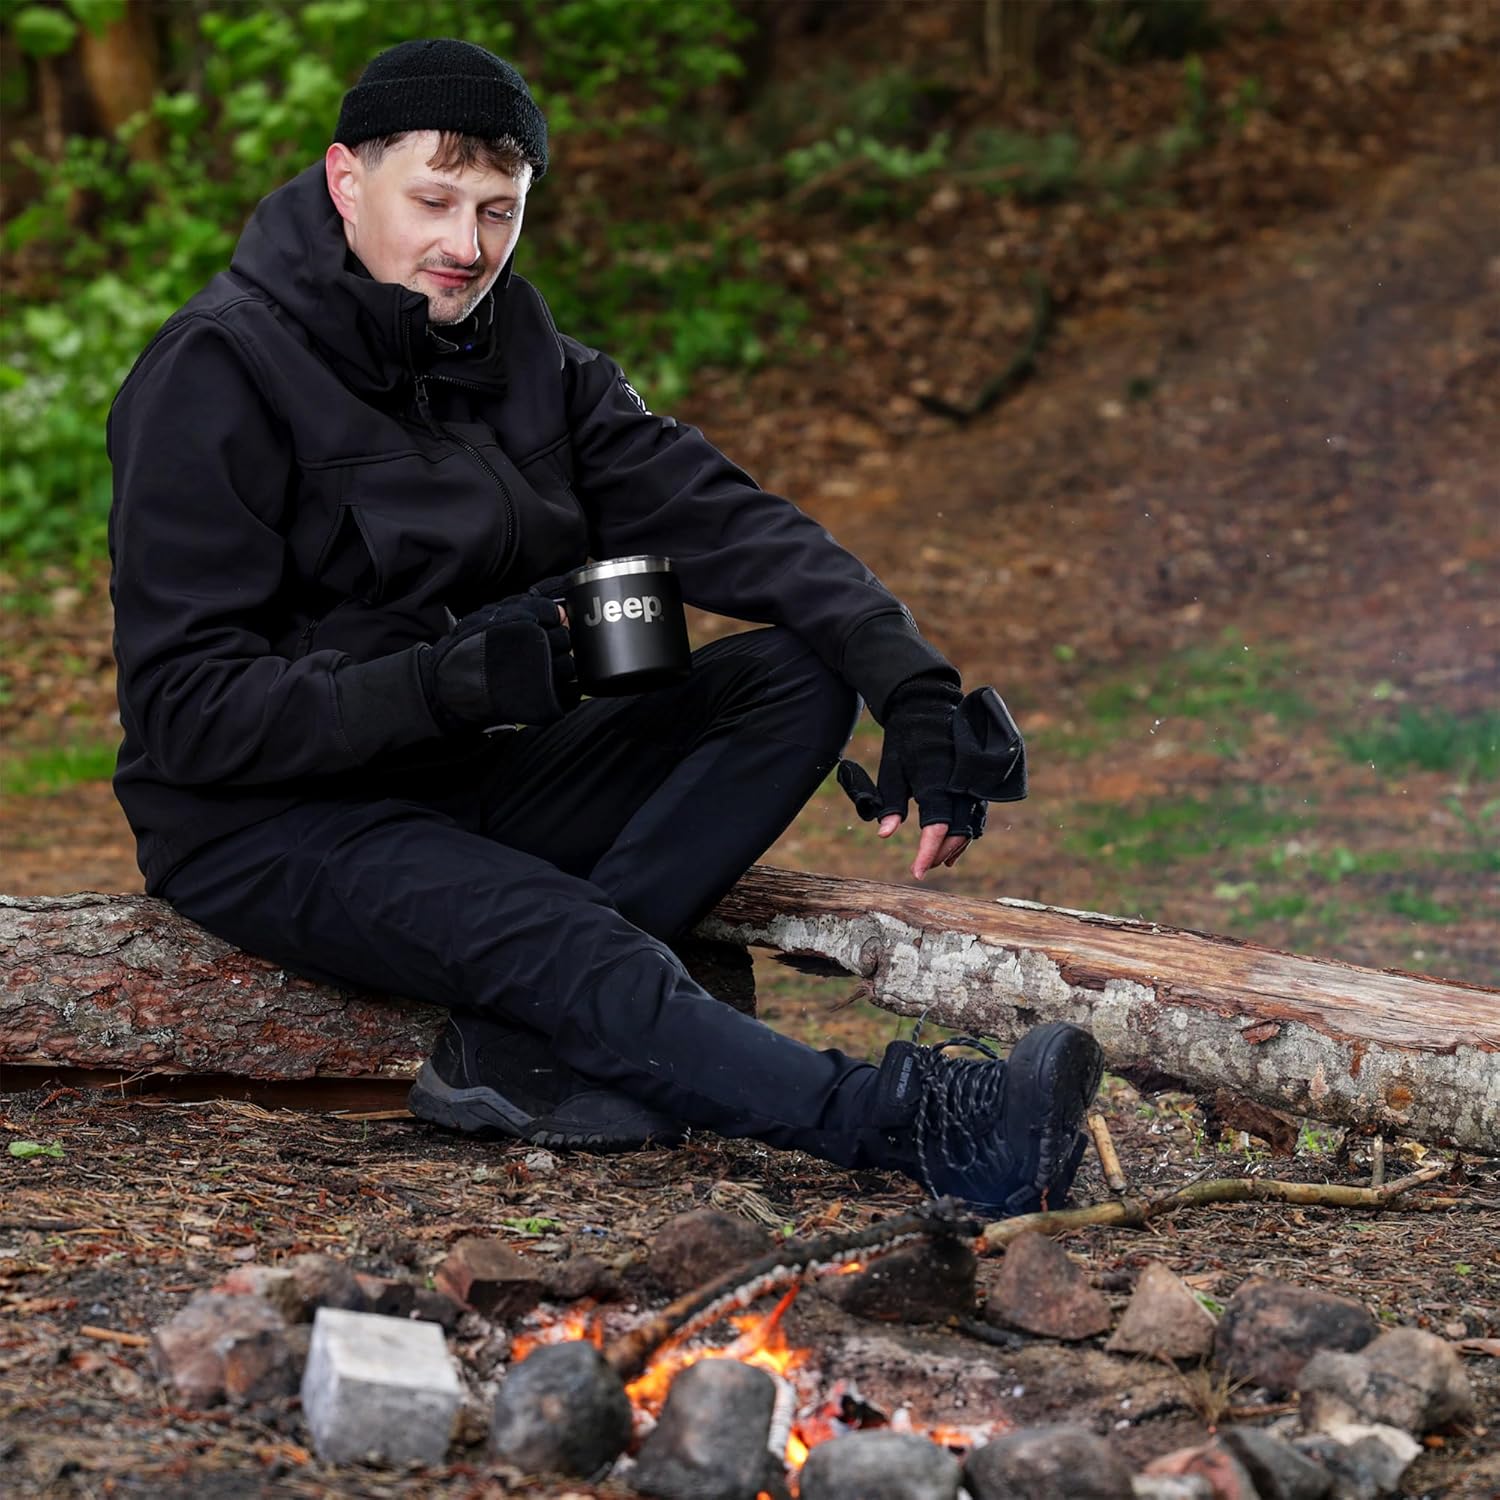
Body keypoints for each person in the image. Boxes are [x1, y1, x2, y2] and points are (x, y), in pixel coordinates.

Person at [107, 38, 1103, 1217]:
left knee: (795, 674)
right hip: (269, 820)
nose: (465, 246)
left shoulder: (524, 353)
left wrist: (911, 680)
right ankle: (926, 1127)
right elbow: (182, 713)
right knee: (566, 936)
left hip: (472, 773)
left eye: (499, 211)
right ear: (345, 180)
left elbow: (725, 519)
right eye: (433, 202)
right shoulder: (215, 370)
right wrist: (438, 685)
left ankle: (525, 1042)